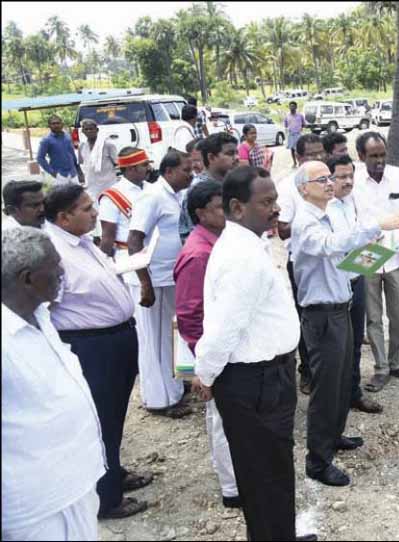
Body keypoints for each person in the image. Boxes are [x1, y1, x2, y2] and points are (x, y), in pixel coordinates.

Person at [193, 166, 316, 542]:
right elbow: (224, 327)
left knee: (273, 470)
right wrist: (205, 373)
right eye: (266, 202)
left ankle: (280, 534)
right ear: (237, 207)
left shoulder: (249, 243)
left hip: (266, 375)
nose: (276, 209)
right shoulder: (241, 257)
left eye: (276, 200)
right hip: (254, 380)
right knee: (263, 475)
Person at [292, 161, 399, 487]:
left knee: (344, 378)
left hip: (340, 307)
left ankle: (334, 436)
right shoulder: (306, 221)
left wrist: (378, 252)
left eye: (331, 178)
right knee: (326, 388)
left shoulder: (331, 213)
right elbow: (330, 245)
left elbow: (343, 264)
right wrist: (375, 226)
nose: (330, 183)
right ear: (304, 188)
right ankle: (317, 460)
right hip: (322, 315)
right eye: (322, 179)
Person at [42, 185, 151, 519]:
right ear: (63, 217)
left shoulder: (82, 241)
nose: (95, 213)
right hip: (91, 346)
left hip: (115, 339)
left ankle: (112, 471)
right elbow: (45, 308)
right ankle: (106, 498)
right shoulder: (53, 253)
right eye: (87, 208)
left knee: (114, 416)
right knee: (100, 419)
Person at [2, 227, 105, 541]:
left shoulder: (41, 316)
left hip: (78, 481)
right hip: (34, 505)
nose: (63, 273)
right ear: (27, 279)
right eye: (55, 267)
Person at [173, 180, 240, 509]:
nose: (226, 212)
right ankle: (232, 488)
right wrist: (206, 365)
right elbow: (189, 315)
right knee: (223, 421)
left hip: (227, 350)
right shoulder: (199, 254)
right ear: (200, 214)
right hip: (216, 354)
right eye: (219, 207)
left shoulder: (221, 241)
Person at [127, 149, 194, 418]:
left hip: (171, 277)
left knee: (171, 336)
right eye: (186, 170)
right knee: (155, 340)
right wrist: (145, 283)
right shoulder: (152, 196)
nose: (190, 175)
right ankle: (160, 400)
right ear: (168, 172)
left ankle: (176, 387)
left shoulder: (176, 195)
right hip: (153, 279)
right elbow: (134, 240)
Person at [354, 132, 399, 392]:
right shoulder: (354, 181)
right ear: (362, 156)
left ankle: (396, 362)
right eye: (374, 156)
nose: (380, 160)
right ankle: (381, 368)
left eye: (382, 155)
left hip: (396, 254)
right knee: (372, 317)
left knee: (398, 315)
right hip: (367, 255)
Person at [326, 155, 383, 414]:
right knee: (335, 348)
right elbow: (335, 247)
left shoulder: (351, 202)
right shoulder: (322, 210)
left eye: (351, 176)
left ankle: (353, 392)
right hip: (333, 290)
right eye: (341, 177)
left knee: (354, 344)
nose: (348, 181)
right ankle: (333, 398)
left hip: (356, 279)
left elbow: (356, 240)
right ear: (328, 179)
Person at [276, 133, 326, 395]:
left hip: (331, 261)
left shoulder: (328, 181)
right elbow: (282, 229)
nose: (318, 159)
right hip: (303, 264)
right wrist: (310, 224)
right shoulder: (287, 187)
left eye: (321, 153)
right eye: (311, 155)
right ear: (298, 157)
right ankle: (307, 371)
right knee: (308, 319)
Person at [179, 132, 239, 241]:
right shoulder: (197, 189)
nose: (237, 158)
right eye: (230, 153)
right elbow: (194, 233)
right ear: (211, 157)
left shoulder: (232, 183)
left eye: (236, 153)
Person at [78, 119, 119, 200]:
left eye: (91, 129)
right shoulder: (82, 146)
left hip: (108, 183)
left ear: (97, 130)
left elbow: (117, 163)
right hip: (91, 184)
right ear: (83, 131)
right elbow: (81, 163)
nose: (89, 131)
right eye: (86, 129)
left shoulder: (108, 145)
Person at [37, 114, 83, 185]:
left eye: (58, 123)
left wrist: (78, 170)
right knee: (61, 196)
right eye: (53, 124)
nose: (56, 125)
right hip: (59, 175)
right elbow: (40, 158)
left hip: (73, 174)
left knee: (77, 195)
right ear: (49, 125)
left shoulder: (67, 136)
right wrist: (52, 172)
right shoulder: (46, 140)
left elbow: (72, 154)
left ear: (62, 124)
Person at [284, 101, 307, 168]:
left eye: (293, 106)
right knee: (292, 149)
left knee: (299, 148)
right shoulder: (287, 116)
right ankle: (294, 162)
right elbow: (285, 125)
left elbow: (304, 124)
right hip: (291, 134)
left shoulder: (300, 115)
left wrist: (300, 129)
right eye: (290, 106)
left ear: (296, 107)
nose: (292, 107)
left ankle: (301, 161)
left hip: (298, 134)